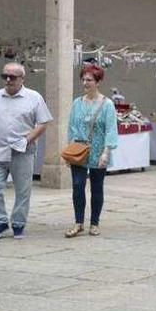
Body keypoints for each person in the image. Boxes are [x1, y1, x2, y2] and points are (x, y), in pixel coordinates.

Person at [0, 62, 52, 240]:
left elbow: (43, 122)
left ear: (22, 79)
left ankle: (19, 223)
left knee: (22, 190)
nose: (7, 80)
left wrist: (27, 139)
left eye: (12, 77)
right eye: (4, 76)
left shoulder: (33, 97)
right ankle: (0, 221)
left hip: (22, 151)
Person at [64, 64, 118, 238]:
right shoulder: (77, 103)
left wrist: (106, 152)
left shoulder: (107, 104)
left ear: (98, 82)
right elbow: (71, 128)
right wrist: (69, 151)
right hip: (79, 150)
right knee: (77, 186)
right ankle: (78, 222)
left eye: (90, 80)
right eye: (84, 79)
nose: (85, 83)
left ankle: (94, 223)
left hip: (98, 151)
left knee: (97, 187)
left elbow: (111, 129)